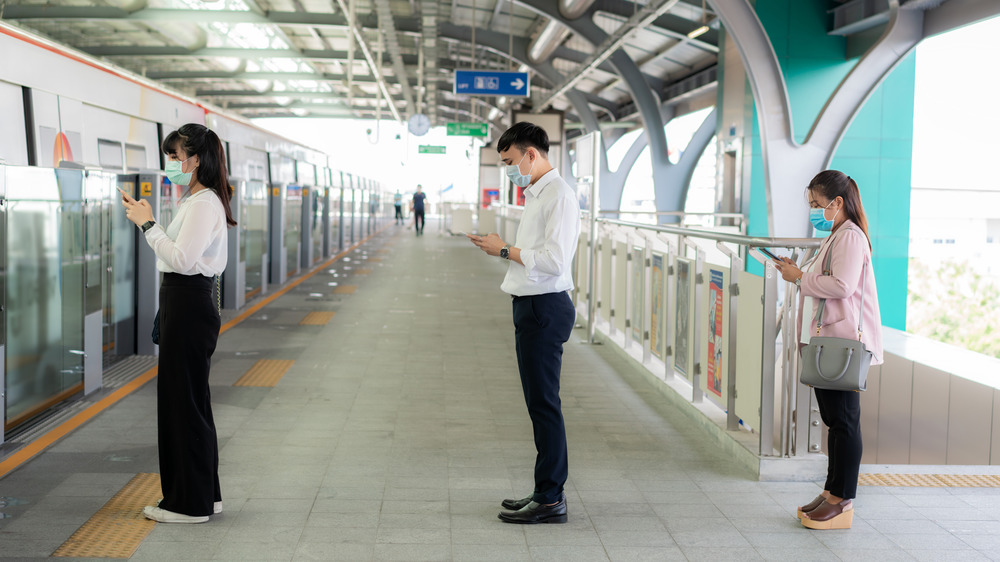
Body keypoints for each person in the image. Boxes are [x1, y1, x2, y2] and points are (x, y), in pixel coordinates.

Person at [120, 123, 235, 524]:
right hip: (184, 301)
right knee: (191, 402)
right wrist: (150, 223)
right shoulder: (197, 200)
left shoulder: (203, 204)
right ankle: (205, 496)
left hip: (188, 302)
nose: (170, 163)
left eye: (175, 156)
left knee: (181, 405)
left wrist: (147, 224)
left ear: (195, 159)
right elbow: (177, 256)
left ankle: (188, 504)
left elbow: (183, 260)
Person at [468, 122, 580, 524]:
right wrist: (503, 250)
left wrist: (504, 249)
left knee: (545, 405)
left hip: (545, 308)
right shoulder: (538, 193)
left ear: (532, 154)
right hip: (532, 306)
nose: (510, 171)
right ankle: (543, 490)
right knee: (539, 404)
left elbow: (554, 261)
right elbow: (535, 254)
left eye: (511, 162)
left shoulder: (559, 196)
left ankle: (551, 499)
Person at [774, 169, 883, 531]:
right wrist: (797, 272)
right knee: (835, 421)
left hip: (841, 343)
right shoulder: (837, 235)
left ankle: (842, 499)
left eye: (817, 205)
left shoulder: (849, 236)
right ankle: (832, 491)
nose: (814, 212)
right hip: (829, 340)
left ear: (837, 203)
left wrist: (798, 279)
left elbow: (841, 286)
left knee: (844, 422)